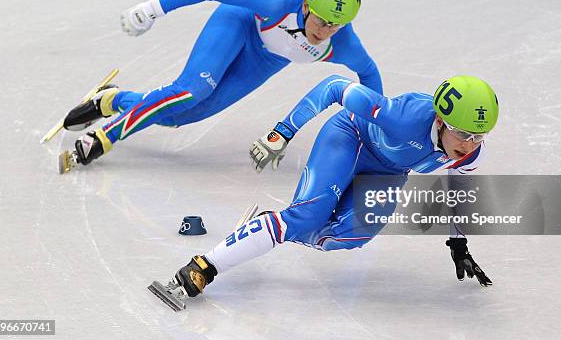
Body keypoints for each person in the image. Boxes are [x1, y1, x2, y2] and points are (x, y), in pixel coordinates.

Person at [164, 74, 498, 303]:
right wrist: (281, 133)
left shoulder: (469, 153)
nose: (470, 145)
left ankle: (269, 226)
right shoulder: (403, 117)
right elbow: (334, 86)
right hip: (349, 138)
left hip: (387, 171)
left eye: (478, 136)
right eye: (463, 133)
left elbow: (459, 190)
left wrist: (458, 241)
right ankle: (205, 266)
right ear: (440, 120)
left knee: (352, 236)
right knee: (310, 214)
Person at [61, 0, 382, 169]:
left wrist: (375, 129)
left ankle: (113, 100)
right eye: (322, 20)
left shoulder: (343, 45)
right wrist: (151, 9)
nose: (326, 31)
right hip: (236, 23)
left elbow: (369, 75)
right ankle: (106, 135)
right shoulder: (278, 1)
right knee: (192, 91)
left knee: (180, 116)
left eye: (337, 26)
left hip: (264, 60)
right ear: (306, 5)